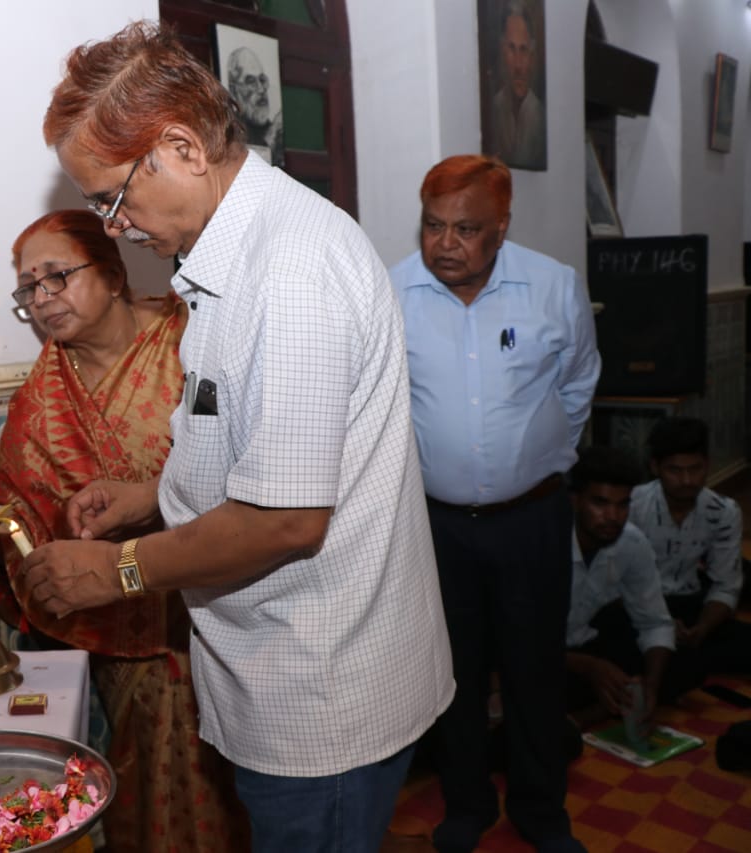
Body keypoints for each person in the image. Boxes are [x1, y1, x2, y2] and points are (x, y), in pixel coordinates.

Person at [18, 21, 454, 853]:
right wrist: (153, 497)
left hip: (321, 695)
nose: (112, 225)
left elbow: (286, 520)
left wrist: (118, 571)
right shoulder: (230, 254)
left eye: (112, 196)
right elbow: (264, 446)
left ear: (180, 147)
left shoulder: (288, 269)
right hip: (286, 670)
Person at [0, 210, 250, 852]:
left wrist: (154, 502)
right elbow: (17, 513)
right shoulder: (43, 394)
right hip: (117, 634)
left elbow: (252, 476)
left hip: (221, 616)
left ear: (113, 275)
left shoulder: (192, 343)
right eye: (29, 289)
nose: (42, 299)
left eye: (56, 276)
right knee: (138, 804)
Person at [389, 154, 600, 853]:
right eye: (433, 225)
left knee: (536, 670)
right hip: (438, 526)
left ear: (502, 227)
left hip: (532, 522)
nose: (445, 243)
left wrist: (534, 465)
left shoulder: (552, 288)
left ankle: (542, 812)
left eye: (466, 228)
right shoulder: (392, 294)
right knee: (453, 675)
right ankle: (466, 806)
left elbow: (577, 385)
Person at [629, 417, 751, 678]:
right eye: (675, 470)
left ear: (706, 465)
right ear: (655, 467)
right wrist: (659, 624)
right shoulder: (632, 507)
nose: (687, 480)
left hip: (690, 605)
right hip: (636, 609)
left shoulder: (723, 511)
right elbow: (615, 583)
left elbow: (726, 586)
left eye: (695, 469)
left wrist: (703, 628)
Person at [564, 447, 674, 731]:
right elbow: (515, 638)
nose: (613, 516)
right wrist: (590, 668)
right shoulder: (541, 543)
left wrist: (650, 685)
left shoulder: (631, 543)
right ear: (575, 501)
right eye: (600, 503)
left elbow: (655, 623)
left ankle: (598, 708)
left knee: (680, 662)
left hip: (586, 643)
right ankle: (583, 716)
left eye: (623, 504)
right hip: (536, 655)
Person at [488, 1, 546, 170]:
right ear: (502, 51)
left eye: (524, 50)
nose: (519, 66)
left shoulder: (540, 117)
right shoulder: (494, 109)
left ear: (532, 56)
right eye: (512, 49)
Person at [227, 46, 283, 167]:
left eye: (262, 80)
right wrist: (270, 138)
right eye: (251, 81)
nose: (261, 89)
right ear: (234, 90)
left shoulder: (275, 129)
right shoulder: (230, 132)